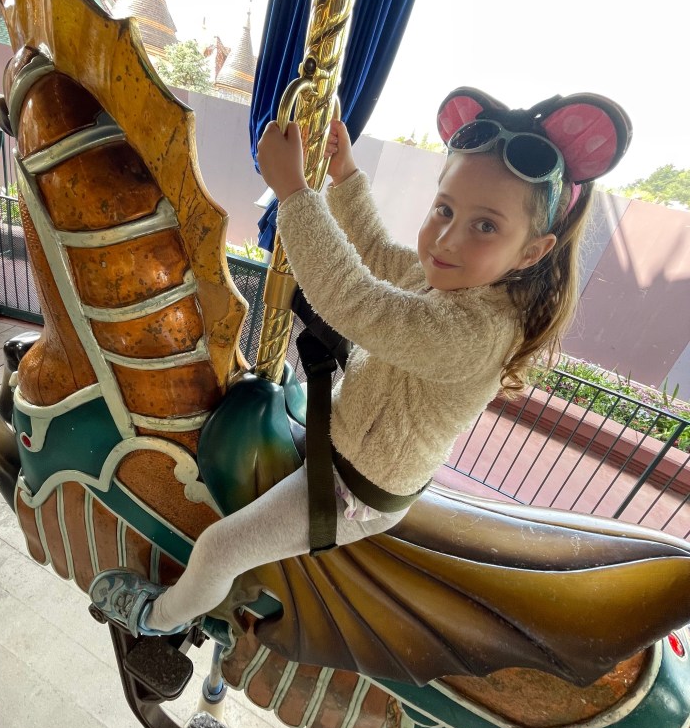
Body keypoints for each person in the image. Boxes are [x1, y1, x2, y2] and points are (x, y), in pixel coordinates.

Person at [88, 86, 632, 637]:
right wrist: (345, 176)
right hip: (339, 433)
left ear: (532, 251)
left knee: (219, 548)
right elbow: (373, 254)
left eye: (485, 226)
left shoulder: (479, 331)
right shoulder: (447, 279)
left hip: (354, 488)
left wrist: (295, 193)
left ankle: (158, 620)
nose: (446, 237)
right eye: (444, 209)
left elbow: (354, 299)